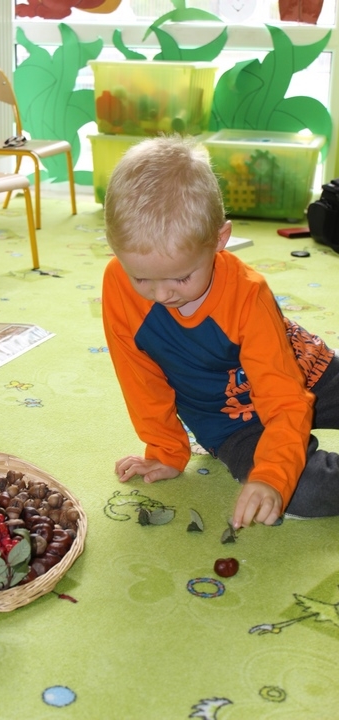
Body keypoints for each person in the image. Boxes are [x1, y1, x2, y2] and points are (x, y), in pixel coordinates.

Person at [102, 134, 339, 529]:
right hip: (231, 423)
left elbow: (284, 398)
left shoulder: (248, 293)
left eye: (180, 277)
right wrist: (166, 449)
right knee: (301, 491)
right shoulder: (117, 286)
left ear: (220, 240)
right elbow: (139, 378)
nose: (161, 295)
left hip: (304, 373)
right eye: (141, 278)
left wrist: (273, 469)